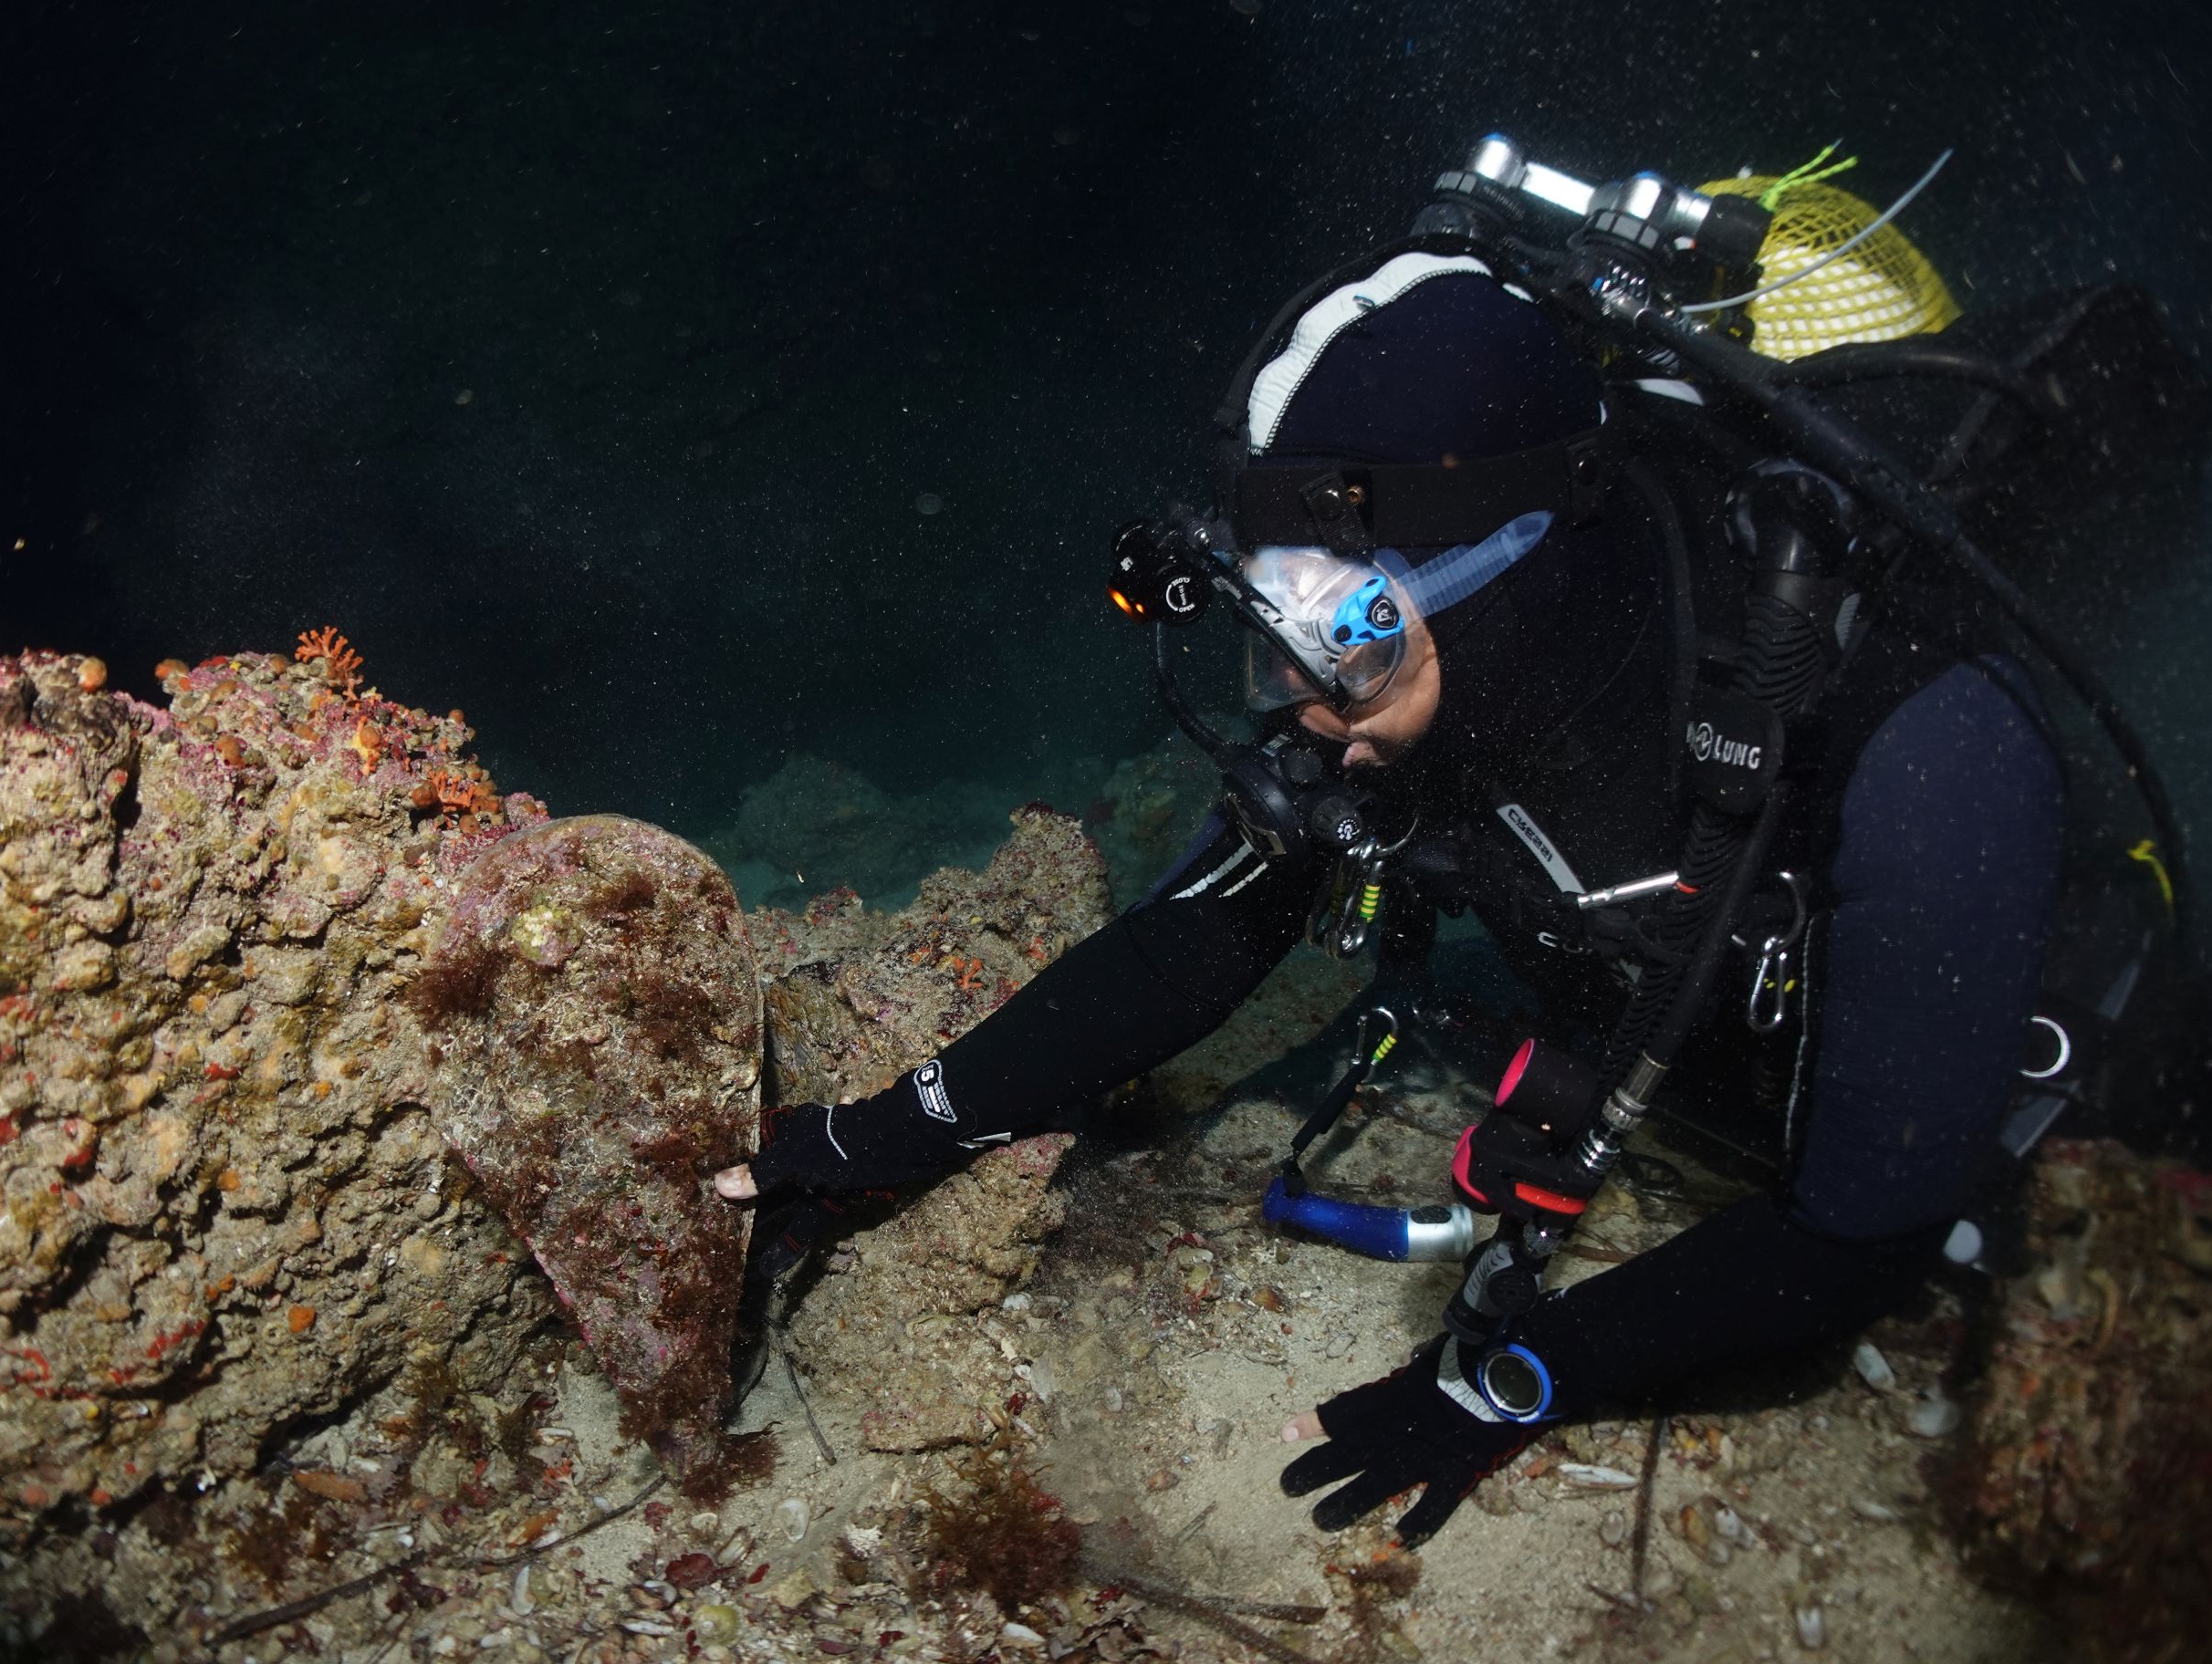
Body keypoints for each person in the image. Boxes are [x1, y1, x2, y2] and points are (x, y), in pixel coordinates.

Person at [713, 249, 2070, 1544]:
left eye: (1341, 643)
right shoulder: (1401, 703)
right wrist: (877, 1136)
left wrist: (1525, 1369)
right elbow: (1195, 941)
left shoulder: (1929, 744)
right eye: (1271, 634)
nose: (1302, 714)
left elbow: (1864, 1226)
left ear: (1510, 573)